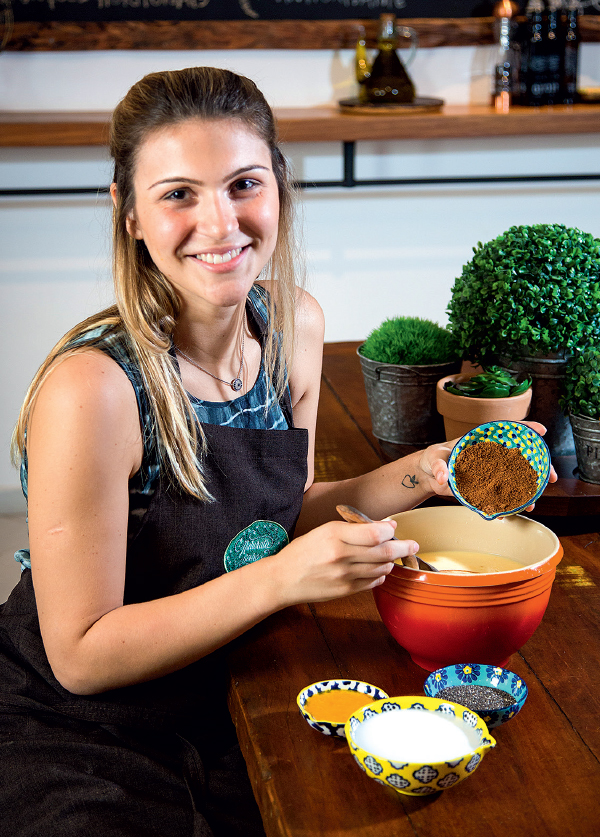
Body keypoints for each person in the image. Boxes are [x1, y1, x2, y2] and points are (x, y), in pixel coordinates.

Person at [0, 67, 554, 837]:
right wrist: (281, 580)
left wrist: (432, 468)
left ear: (280, 190)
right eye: (178, 194)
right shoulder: (94, 389)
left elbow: (273, 514)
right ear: (130, 214)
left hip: (222, 682)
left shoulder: (292, 327)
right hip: (81, 725)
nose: (221, 223)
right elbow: (82, 655)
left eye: (243, 184)